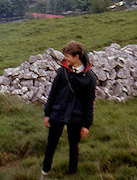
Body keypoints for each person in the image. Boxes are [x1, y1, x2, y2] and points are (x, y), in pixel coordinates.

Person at [41, 41, 97, 179]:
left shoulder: (90, 78)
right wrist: (47, 113)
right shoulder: (62, 72)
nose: (65, 58)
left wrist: (86, 125)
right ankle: (44, 172)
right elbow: (53, 93)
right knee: (51, 145)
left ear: (77, 56)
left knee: (74, 147)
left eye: (68, 56)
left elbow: (89, 103)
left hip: (76, 116)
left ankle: (72, 174)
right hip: (58, 112)